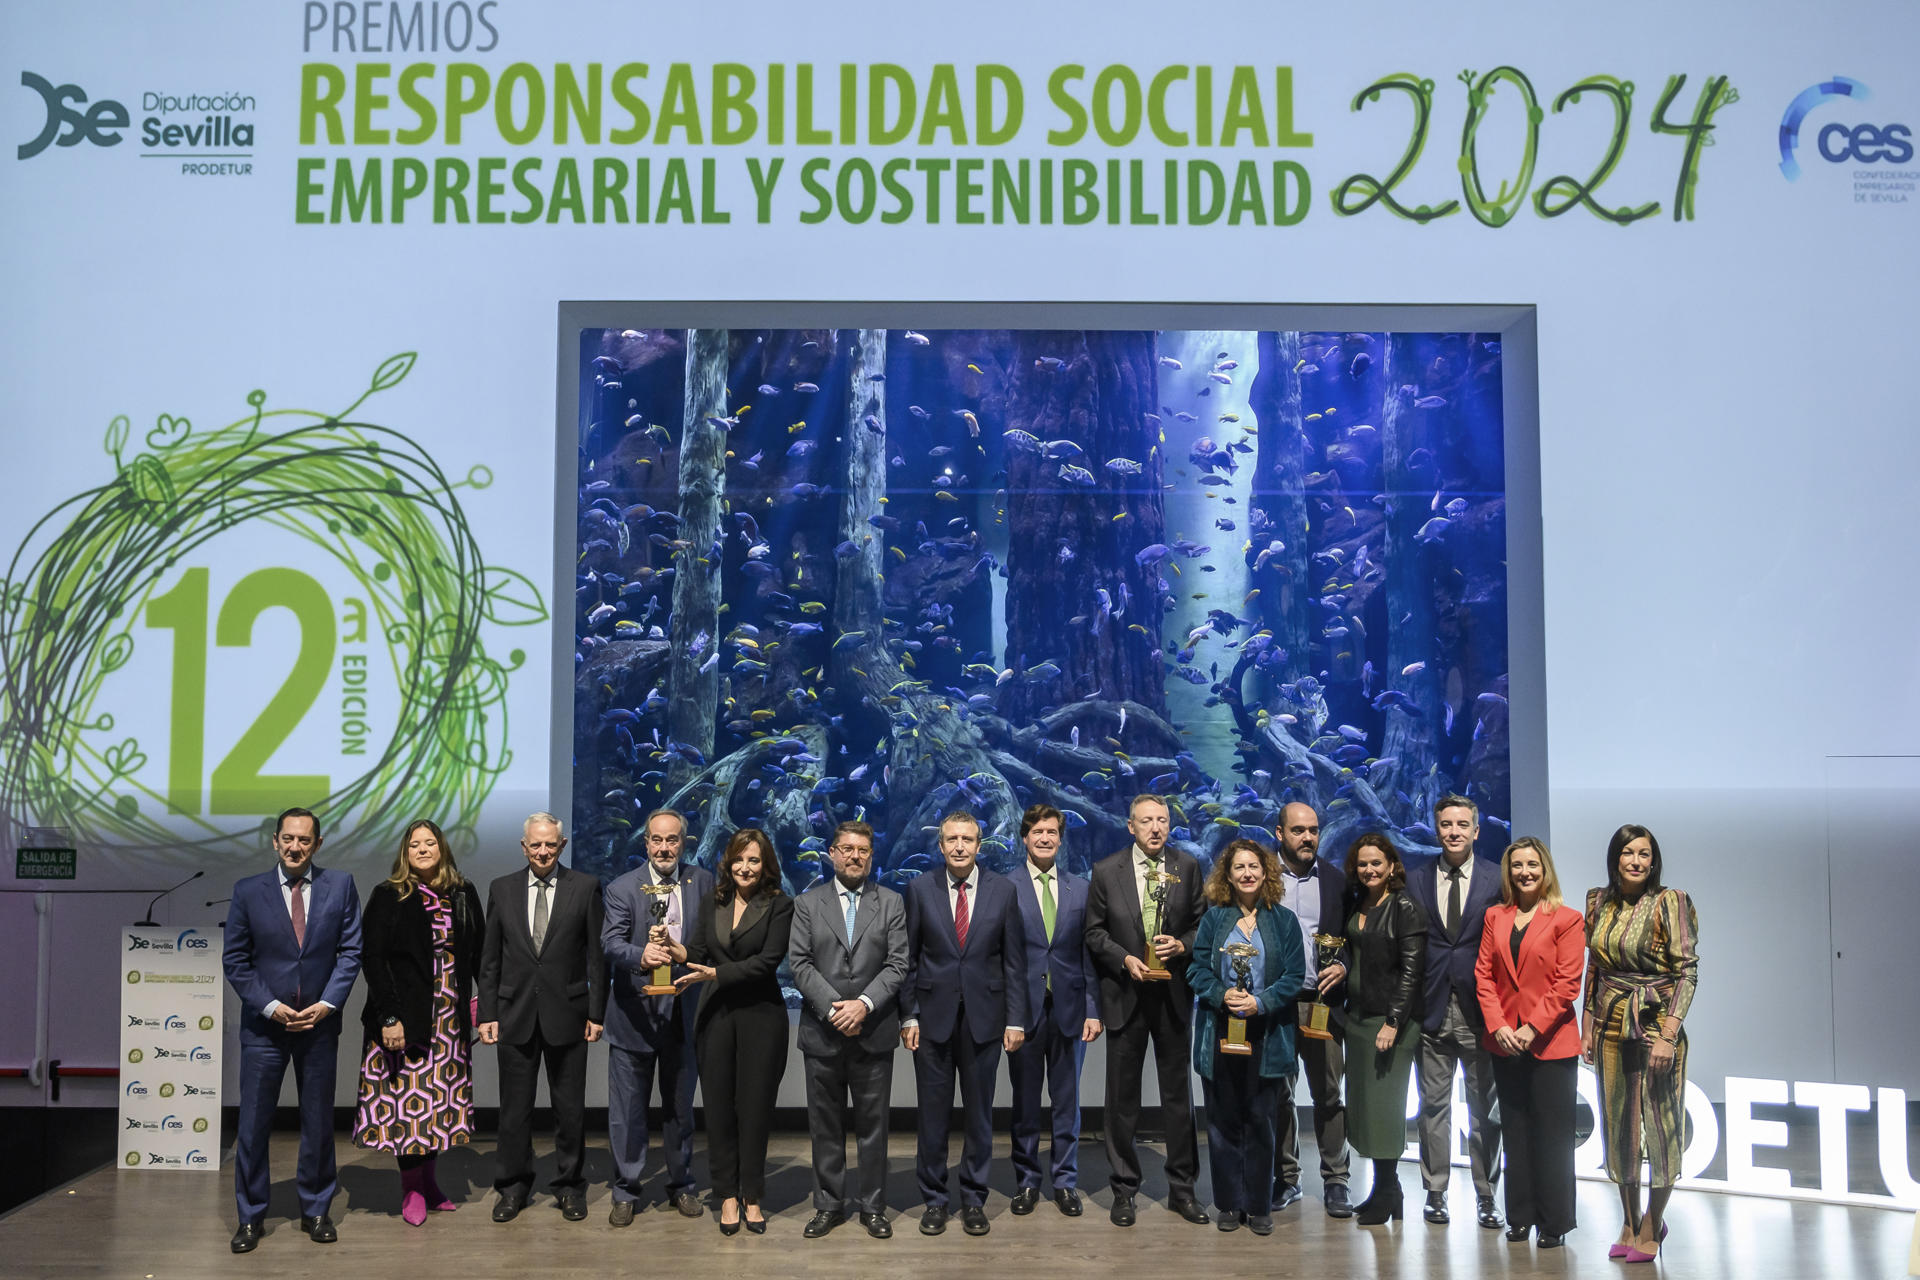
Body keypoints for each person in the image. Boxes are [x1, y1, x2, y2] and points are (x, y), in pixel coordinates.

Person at [223, 807, 363, 1254]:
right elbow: (236, 960)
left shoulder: (341, 885)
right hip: (265, 1028)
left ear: (317, 844)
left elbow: (350, 951)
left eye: (304, 839)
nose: (295, 847)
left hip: (319, 1025)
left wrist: (327, 1004)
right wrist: (270, 1006)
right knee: (253, 1125)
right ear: (275, 841)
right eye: (288, 838)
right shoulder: (248, 891)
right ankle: (250, 1217)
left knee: (318, 1122)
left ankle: (316, 1210)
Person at [1083, 793, 1211, 1227]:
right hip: (1125, 994)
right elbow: (1094, 932)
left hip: (1173, 996)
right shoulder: (1106, 870)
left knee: (1179, 1098)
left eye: (1162, 820)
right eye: (1146, 820)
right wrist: (1124, 958)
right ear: (1130, 826)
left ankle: (1183, 1190)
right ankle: (1124, 1190)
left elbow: (1202, 925)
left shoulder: (1187, 867)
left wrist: (1183, 946)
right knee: (1122, 1100)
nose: (1155, 828)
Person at [900, 811, 1028, 1237]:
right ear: (940, 846)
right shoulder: (919, 889)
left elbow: (1014, 962)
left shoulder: (1002, 890)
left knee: (979, 1117)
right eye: (952, 839)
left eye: (967, 839)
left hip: (985, 1021)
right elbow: (908, 960)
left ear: (979, 845)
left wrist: (1015, 1019)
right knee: (932, 1118)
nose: (959, 846)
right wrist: (908, 1013)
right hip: (931, 1021)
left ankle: (974, 1199)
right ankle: (934, 1200)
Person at [352, 819, 484, 1227]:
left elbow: (479, 953)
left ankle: (430, 1183)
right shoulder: (389, 895)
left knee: (437, 1105)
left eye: (429, 843)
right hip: (404, 1019)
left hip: (448, 1022)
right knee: (408, 1108)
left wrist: (481, 1003)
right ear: (404, 853)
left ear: (442, 848)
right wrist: (389, 1017)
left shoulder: (463, 893)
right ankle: (411, 1188)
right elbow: (373, 960)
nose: (422, 850)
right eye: (414, 845)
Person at [478, 812, 605, 1224]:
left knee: (570, 1111)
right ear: (524, 847)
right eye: (536, 844)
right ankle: (512, 1188)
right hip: (514, 1015)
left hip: (569, 1013)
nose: (544, 851)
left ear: (562, 845)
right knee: (514, 1112)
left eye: (551, 844)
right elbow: (490, 959)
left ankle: (570, 1187)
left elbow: (597, 958)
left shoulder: (585, 887)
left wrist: (597, 1012)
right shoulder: (501, 888)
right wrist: (487, 1012)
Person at [1582, 825, 1699, 1264]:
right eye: (1628, 852)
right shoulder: (1598, 900)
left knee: (1660, 1124)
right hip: (1609, 1022)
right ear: (1615, 858)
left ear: (1654, 861)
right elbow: (1594, 968)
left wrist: (1668, 1034)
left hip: (1654, 1022)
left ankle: (1654, 1222)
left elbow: (1687, 971)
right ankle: (1629, 1222)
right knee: (1619, 1125)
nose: (1635, 861)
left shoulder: (1671, 901)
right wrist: (1586, 1025)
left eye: (1644, 854)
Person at [789, 821, 909, 1240]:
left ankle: (873, 1207)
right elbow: (799, 963)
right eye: (847, 849)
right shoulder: (807, 903)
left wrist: (864, 1005)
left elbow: (898, 963)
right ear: (832, 854)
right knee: (825, 1125)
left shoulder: (891, 902)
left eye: (862, 850)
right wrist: (834, 1009)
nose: (854, 856)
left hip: (873, 1029)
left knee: (874, 1127)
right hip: (823, 1032)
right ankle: (828, 1205)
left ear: (871, 857)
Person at [673, 827, 794, 1235]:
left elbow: (768, 961)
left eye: (754, 860)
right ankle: (726, 1194)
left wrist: (715, 974)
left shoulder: (780, 905)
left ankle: (752, 1195)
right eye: (739, 859)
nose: (745, 867)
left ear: (766, 865)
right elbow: (697, 952)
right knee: (719, 1108)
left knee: (756, 1110)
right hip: (716, 1016)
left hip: (762, 1017)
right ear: (728, 862)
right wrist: (674, 949)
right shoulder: (714, 900)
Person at [600, 809, 712, 1225]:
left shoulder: (704, 883)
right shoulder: (621, 888)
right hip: (634, 1017)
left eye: (672, 839)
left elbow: (713, 940)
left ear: (684, 842)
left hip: (685, 1015)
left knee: (681, 1111)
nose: (664, 848)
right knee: (628, 1113)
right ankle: (626, 1190)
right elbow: (610, 943)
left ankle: (682, 1185)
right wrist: (640, 955)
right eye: (657, 840)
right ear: (645, 842)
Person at [1188, 838, 1306, 1235]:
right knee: (1222, 1120)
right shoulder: (1214, 919)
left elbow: (1294, 976)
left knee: (1260, 1120)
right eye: (1239, 867)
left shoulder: (1283, 920)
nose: (1247, 873)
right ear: (1227, 875)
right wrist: (1222, 995)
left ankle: (1258, 1205)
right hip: (1220, 1030)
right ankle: (1228, 1203)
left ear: (1266, 872)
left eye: (1254, 866)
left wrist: (1261, 1002)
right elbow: (1197, 970)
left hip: (1266, 1033)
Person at [1475, 836, 1585, 1249]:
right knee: (1515, 1131)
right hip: (1505, 1042)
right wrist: (1499, 1025)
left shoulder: (1567, 919)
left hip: (1550, 1043)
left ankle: (1554, 1222)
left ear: (1545, 870)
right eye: (1517, 865)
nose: (1525, 872)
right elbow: (1483, 975)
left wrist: (1532, 1028)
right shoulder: (1495, 916)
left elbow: (1567, 983)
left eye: (1532, 865)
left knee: (1553, 1136)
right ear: (1509, 872)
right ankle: (1520, 1216)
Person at [1403, 795, 1504, 1228]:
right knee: (1433, 1108)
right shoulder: (1416, 878)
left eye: (1463, 824)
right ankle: (1435, 1192)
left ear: (1476, 831)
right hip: (1431, 1009)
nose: (1454, 831)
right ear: (1436, 829)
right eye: (1446, 824)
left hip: (1481, 1013)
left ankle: (1487, 1195)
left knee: (1484, 1111)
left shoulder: (1497, 878)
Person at [1320, 832, 1426, 1226]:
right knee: (1364, 1107)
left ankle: (1388, 1191)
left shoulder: (1405, 908)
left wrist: (1393, 1021)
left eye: (1376, 863)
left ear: (1392, 865)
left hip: (1390, 1023)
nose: (1369, 870)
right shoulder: (1357, 901)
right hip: (1359, 1020)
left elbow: (1412, 972)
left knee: (1385, 1109)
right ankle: (1385, 1190)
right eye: (1362, 863)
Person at [1007, 805, 1102, 1218]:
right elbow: (1004, 958)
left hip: (1071, 1010)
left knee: (1067, 1103)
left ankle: (1065, 1182)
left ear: (1060, 839)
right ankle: (1027, 1181)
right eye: (1037, 831)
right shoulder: (1005, 887)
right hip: (1024, 1013)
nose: (1044, 838)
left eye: (1051, 832)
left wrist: (1093, 1009)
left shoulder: (1080, 888)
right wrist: (1008, 1016)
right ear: (1024, 838)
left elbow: (1089, 955)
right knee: (1025, 1103)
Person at [1272, 802, 1353, 1217]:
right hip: (1276, 1005)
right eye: (1298, 830)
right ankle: (1287, 1178)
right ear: (1280, 833)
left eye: (1314, 830)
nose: (1307, 837)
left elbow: (1355, 939)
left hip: (1323, 1004)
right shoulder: (1262, 878)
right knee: (1279, 1093)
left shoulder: (1337, 880)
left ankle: (1336, 1179)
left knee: (1329, 1094)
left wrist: (1344, 965)